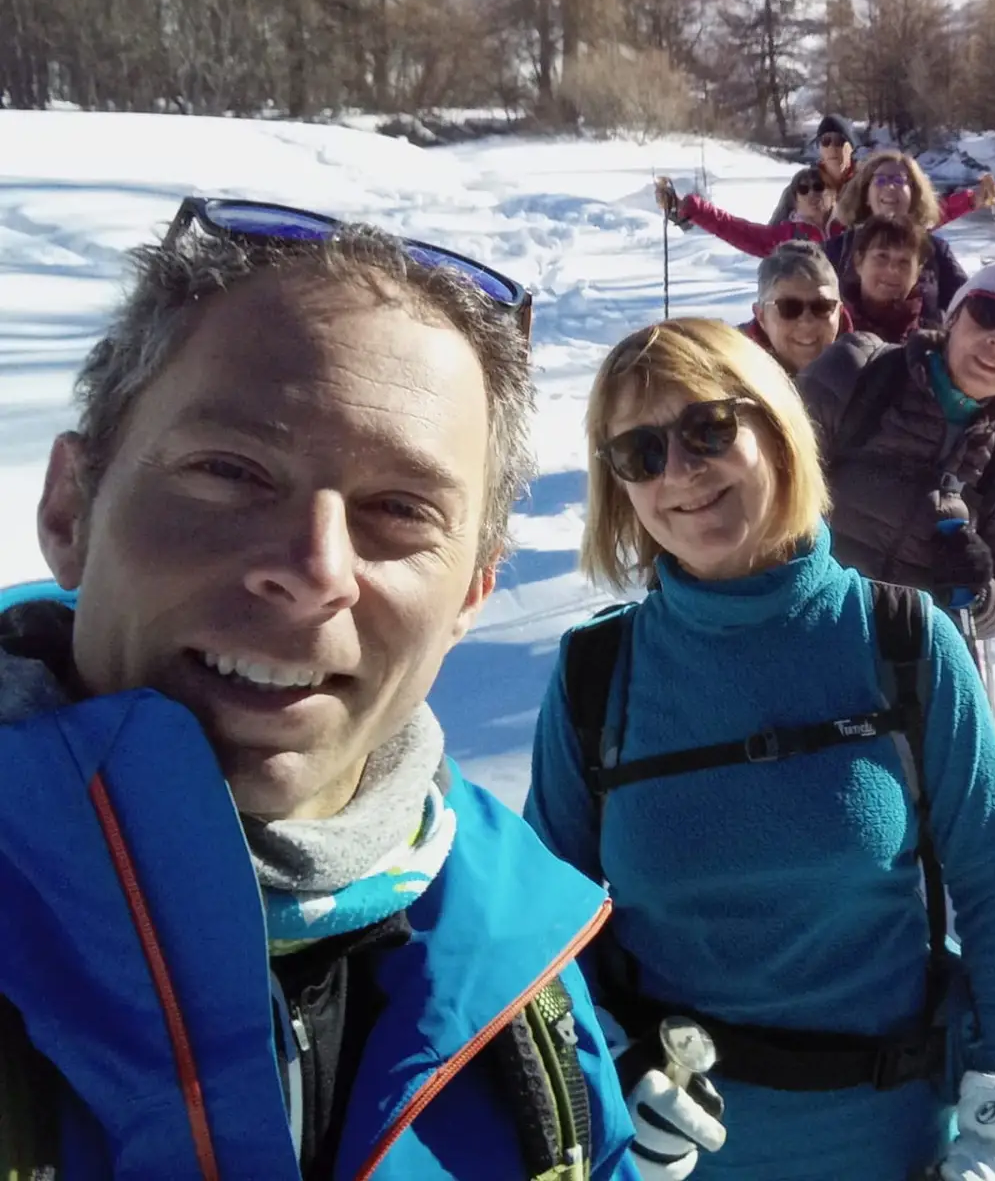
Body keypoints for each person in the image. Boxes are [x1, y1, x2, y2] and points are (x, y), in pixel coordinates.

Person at [0, 197, 687, 1180]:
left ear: (471, 596)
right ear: (72, 508)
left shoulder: (523, 987)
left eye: (400, 510)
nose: (317, 568)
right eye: (231, 471)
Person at [523, 317, 995, 1181]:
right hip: (667, 1159)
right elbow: (542, 924)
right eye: (640, 454)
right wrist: (606, 1068)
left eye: (707, 431)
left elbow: (992, 878)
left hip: (885, 1142)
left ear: (775, 426)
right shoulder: (597, 675)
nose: (680, 475)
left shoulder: (904, 642)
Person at [798, 256, 995, 645]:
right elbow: (763, 481)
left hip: (906, 664)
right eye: (987, 312)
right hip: (803, 623)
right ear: (954, 315)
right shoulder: (858, 371)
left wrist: (978, 589)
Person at [824, 153, 974, 316]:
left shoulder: (935, 250)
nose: (889, 187)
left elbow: (967, 304)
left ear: (914, 194)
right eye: (880, 180)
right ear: (866, 193)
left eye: (898, 180)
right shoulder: (838, 249)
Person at [660, 165, 837, 259]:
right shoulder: (785, 237)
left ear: (833, 194)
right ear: (795, 201)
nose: (812, 193)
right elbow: (733, 228)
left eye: (819, 187)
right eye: (804, 189)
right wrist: (692, 208)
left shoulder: (851, 227)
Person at [744, 240, 850, 373]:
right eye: (789, 308)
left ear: (839, 312)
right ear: (761, 317)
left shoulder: (870, 374)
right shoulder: (730, 374)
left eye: (822, 307)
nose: (807, 322)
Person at [840, 217, 935, 344]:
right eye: (882, 256)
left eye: (904, 262)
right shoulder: (831, 327)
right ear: (859, 261)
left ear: (917, 272)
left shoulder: (930, 342)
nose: (893, 269)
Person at [765, 115, 861, 224]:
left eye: (839, 142)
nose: (832, 147)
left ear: (851, 147)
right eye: (826, 141)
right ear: (819, 148)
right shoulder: (802, 188)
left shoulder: (867, 184)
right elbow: (773, 233)